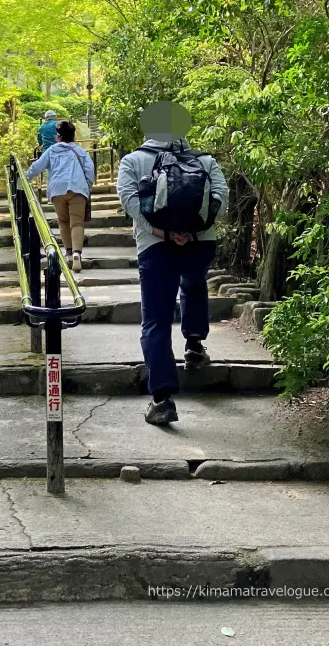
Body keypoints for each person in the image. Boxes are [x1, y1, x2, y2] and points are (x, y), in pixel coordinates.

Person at [117, 100, 228, 426]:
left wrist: (160, 231)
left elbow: (129, 200)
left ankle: (163, 399)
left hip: (154, 247)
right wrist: (192, 232)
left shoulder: (132, 161)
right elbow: (220, 199)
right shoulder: (205, 160)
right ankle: (194, 345)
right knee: (193, 284)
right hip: (199, 244)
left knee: (155, 319)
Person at [26, 120, 95, 273]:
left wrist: (25, 178)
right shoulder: (80, 151)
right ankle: (77, 253)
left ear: (58, 137)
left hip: (57, 190)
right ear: (73, 136)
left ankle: (69, 253)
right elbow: (90, 170)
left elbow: (37, 167)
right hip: (77, 188)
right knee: (77, 223)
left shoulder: (51, 151)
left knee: (63, 221)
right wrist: (87, 186)